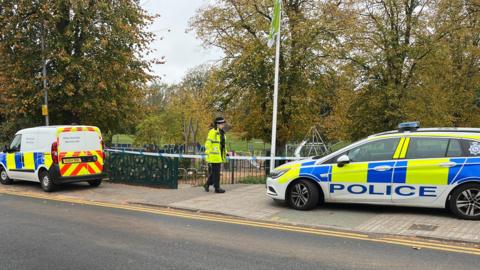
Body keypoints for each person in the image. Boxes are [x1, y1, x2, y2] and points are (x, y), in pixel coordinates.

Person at [204, 117, 228, 193]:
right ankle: (217, 188)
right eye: (222, 124)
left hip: (219, 155)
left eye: (223, 124)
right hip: (214, 156)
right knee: (216, 173)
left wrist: (226, 152)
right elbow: (208, 143)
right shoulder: (212, 132)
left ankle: (207, 184)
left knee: (215, 172)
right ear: (217, 124)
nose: (223, 125)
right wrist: (207, 153)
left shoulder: (222, 132)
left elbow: (223, 145)